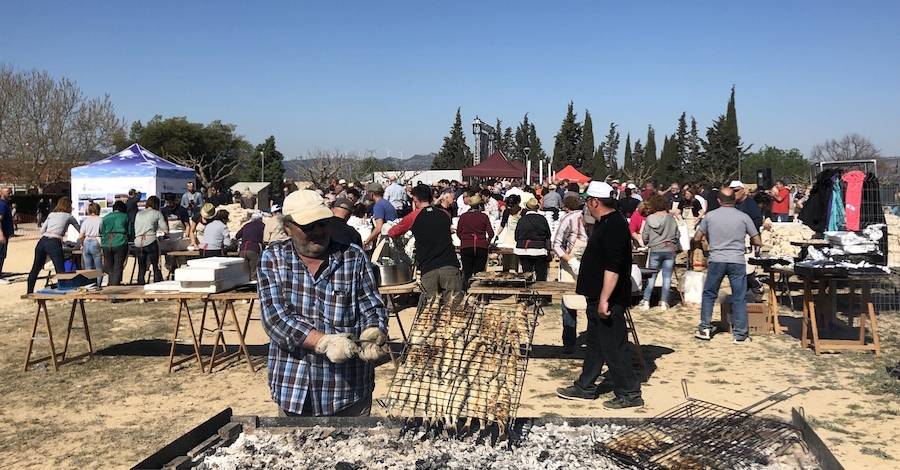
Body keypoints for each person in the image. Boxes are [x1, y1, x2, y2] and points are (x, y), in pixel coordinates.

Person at [258, 189, 388, 417]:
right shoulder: (273, 259)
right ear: (288, 227)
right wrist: (324, 342)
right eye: (308, 227)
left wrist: (374, 329)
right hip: (294, 388)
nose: (318, 231)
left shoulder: (353, 257)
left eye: (323, 223)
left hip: (348, 390)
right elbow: (275, 318)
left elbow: (372, 305)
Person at [556, 182, 643, 408]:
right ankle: (585, 385)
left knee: (614, 346)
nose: (586, 205)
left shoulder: (614, 225)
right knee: (595, 343)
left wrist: (605, 298)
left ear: (595, 202)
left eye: (587, 201)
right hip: (596, 296)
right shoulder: (606, 223)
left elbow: (613, 267)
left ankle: (629, 393)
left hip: (609, 298)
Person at [693, 188, 762, 344]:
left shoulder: (710, 216)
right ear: (735, 200)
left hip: (716, 259)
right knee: (739, 297)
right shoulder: (743, 217)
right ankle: (740, 335)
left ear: (718, 200)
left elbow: (697, 237)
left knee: (709, 294)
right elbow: (757, 240)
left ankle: (704, 327)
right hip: (737, 260)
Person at [388, 184, 461, 296]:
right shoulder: (445, 214)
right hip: (449, 264)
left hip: (428, 268)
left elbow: (392, 232)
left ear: (415, 199)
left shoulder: (413, 216)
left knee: (429, 309)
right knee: (455, 308)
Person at [553, 195, 589, 354]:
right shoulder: (570, 219)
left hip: (590, 265)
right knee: (569, 303)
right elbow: (556, 245)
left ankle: (593, 340)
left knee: (592, 303)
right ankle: (569, 343)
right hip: (570, 265)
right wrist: (571, 261)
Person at [27, 197, 80, 294]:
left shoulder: (51, 214)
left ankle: (29, 292)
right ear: (68, 206)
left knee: (35, 268)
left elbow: (42, 230)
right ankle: (62, 289)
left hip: (42, 241)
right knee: (60, 269)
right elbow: (80, 230)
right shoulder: (69, 216)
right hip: (54, 242)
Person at [638, 195, 680, 311]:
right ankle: (664, 302)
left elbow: (645, 235)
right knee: (667, 278)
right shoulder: (671, 218)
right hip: (670, 250)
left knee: (652, 276)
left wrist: (647, 242)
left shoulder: (650, 218)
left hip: (655, 249)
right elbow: (677, 235)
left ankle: (646, 301)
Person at [456, 194, 494, 288]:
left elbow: (458, 232)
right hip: (481, 246)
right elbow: (491, 234)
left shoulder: (463, 216)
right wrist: (487, 243)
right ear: (479, 205)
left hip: (466, 246)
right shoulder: (484, 216)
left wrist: (465, 239)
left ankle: (466, 291)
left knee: (467, 272)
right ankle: (478, 294)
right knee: (479, 273)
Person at [133, 195, 168, 285]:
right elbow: (165, 229)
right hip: (150, 240)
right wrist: (164, 234)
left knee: (141, 267)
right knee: (155, 266)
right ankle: (157, 286)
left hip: (138, 242)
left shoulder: (139, 213)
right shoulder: (157, 213)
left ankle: (140, 287)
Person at [514, 198, 552, 281]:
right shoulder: (542, 219)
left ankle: (527, 292)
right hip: (539, 250)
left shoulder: (522, 220)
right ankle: (540, 292)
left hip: (524, 250)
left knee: (526, 274)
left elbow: (516, 237)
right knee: (541, 274)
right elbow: (548, 235)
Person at [100, 201, 130, 286]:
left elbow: (102, 231)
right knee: (118, 266)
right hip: (120, 241)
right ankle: (115, 288)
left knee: (110, 267)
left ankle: (110, 284)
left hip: (106, 243)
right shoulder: (125, 216)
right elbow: (130, 231)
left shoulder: (106, 217)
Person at [362, 183, 397, 250]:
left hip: (385, 240)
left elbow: (378, 228)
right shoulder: (386, 203)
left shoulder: (378, 206)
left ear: (372, 194)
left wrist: (366, 242)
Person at [78, 202, 104, 286]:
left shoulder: (86, 221)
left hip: (86, 241)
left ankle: (90, 286)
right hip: (96, 240)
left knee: (88, 268)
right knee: (98, 268)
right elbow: (102, 232)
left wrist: (82, 244)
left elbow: (81, 235)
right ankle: (98, 285)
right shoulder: (101, 220)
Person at [236, 211, 265, 280]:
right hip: (254, 249)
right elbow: (266, 238)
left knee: (245, 271)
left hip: (243, 249)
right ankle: (254, 286)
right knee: (254, 270)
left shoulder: (246, 225)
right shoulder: (262, 226)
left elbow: (237, 236)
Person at [0, 188, 14, 277]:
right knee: (1, 255)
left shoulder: (5, 204)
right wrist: (1, 234)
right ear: (2, 193)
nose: (10, 195)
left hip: (5, 233)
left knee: (2, 254)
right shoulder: (2, 205)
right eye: (9, 193)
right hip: (2, 234)